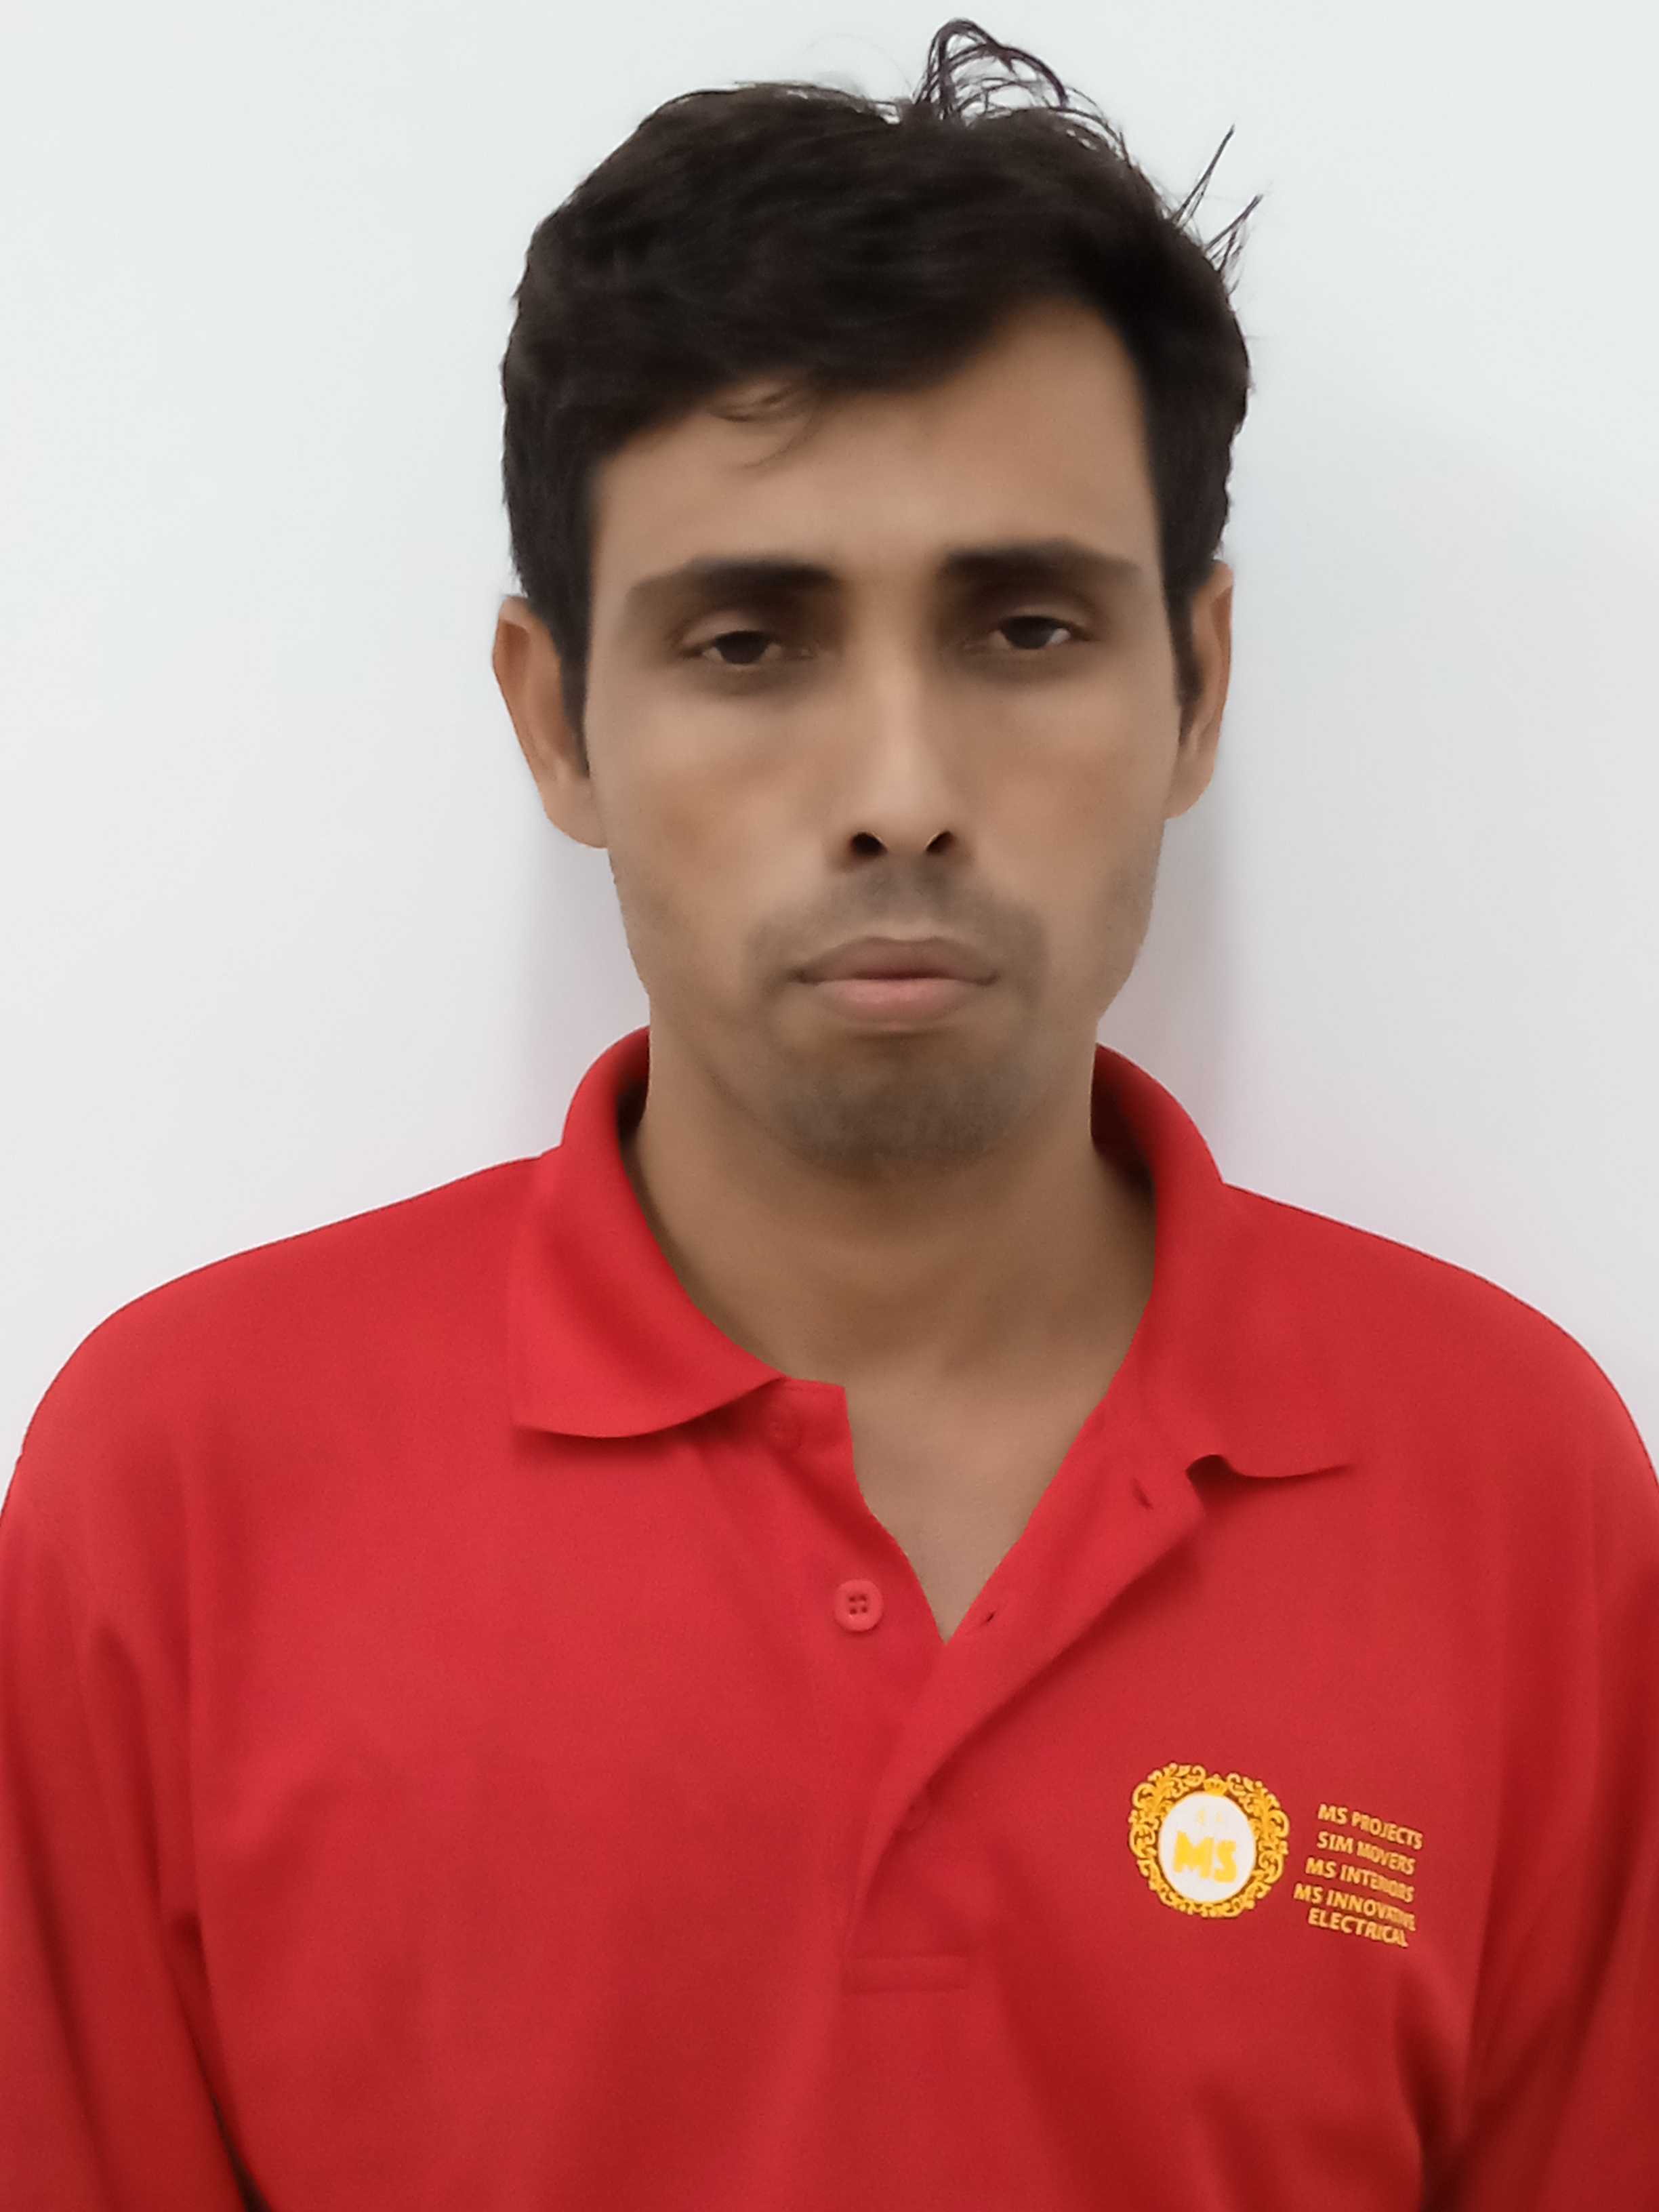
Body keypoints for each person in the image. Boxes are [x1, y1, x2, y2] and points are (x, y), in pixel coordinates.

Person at [3, 19, 1654, 2209]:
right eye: (751, 644)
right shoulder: (181, 1498)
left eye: (1027, 628)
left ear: (1199, 689)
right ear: (557, 722)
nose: (899, 795)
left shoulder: (1517, 1493)